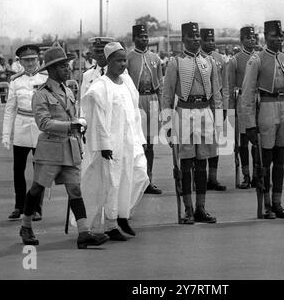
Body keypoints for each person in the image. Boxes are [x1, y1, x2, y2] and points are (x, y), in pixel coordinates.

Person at [19, 46, 108, 248]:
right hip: (50, 149)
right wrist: (70, 126)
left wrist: (79, 124)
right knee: (37, 188)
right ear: (51, 69)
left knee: (75, 190)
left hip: (70, 147)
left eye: (67, 65)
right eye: (62, 66)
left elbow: (72, 116)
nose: (67, 69)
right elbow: (43, 123)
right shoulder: (40, 94)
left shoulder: (67, 90)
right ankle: (26, 226)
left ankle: (84, 233)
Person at [81, 42, 149, 241]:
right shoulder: (100, 86)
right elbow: (97, 119)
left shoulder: (126, 82)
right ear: (108, 62)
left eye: (124, 60)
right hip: (112, 145)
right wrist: (104, 145)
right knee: (113, 182)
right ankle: (111, 223)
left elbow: (134, 114)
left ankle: (122, 214)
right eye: (118, 60)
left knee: (138, 174)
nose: (122, 64)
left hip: (129, 141)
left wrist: (139, 139)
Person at [162, 22, 223, 224]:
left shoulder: (209, 62)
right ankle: (188, 209)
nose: (196, 40)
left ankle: (201, 208)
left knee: (202, 163)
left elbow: (216, 94)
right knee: (186, 163)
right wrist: (168, 126)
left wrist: (218, 121)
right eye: (192, 37)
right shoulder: (175, 62)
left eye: (198, 37)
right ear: (184, 39)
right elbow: (167, 96)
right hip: (184, 113)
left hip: (205, 112)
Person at [242, 20, 284, 220]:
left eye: (280, 35)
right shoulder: (256, 59)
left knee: (281, 159)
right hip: (266, 107)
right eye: (274, 36)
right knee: (265, 160)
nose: (278, 39)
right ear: (265, 36)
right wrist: (249, 124)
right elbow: (247, 93)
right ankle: (265, 203)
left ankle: (277, 202)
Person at [3, 44, 48, 221]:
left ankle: (36, 207)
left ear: (38, 60)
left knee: (40, 170)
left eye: (33, 60)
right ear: (20, 62)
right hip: (21, 128)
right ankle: (18, 206)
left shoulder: (45, 78)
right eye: (26, 60)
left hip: (40, 128)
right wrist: (6, 135)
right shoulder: (16, 81)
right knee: (18, 170)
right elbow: (10, 109)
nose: (30, 63)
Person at [127, 24, 163, 195]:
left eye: (146, 37)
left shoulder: (156, 58)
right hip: (137, 99)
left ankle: (149, 180)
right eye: (141, 37)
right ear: (134, 39)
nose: (144, 39)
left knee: (150, 144)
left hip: (153, 99)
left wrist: (163, 107)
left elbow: (160, 84)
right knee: (139, 144)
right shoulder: (128, 58)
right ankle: (137, 181)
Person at [227, 26, 258, 189]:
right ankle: (246, 175)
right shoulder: (234, 60)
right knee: (243, 141)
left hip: (257, 101)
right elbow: (230, 86)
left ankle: (258, 174)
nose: (251, 40)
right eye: (248, 38)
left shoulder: (260, 57)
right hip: (241, 100)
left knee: (257, 141)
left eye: (253, 37)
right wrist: (230, 110)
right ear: (241, 40)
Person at [200, 28, 229, 191]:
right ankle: (202, 177)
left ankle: (213, 177)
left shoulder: (219, 59)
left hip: (216, 105)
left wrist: (224, 107)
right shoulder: (198, 58)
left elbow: (225, 86)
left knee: (215, 144)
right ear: (201, 42)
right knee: (202, 143)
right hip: (202, 105)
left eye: (213, 40)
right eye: (208, 40)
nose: (211, 43)